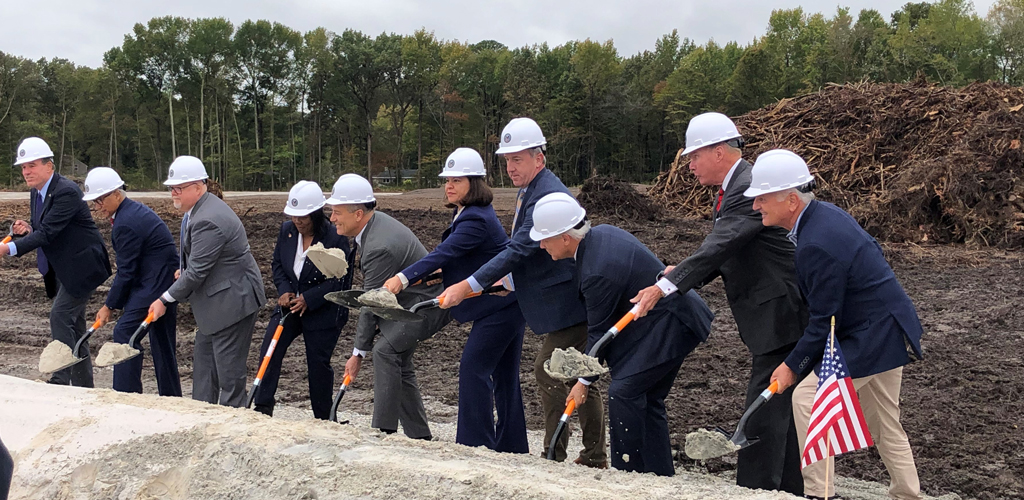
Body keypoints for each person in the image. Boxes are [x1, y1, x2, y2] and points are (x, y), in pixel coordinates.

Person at [630, 112, 807, 494]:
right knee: (780, 410)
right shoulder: (734, 188)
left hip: (781, 314)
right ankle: (789, 488)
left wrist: (664, 287)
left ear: (719, 151)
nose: (689, 166)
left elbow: (719, 246)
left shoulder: (746, 187)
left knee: (763, 411)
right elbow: (730, 249)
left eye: (695, 156)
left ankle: (755, 490)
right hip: (775, 313)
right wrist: (685, 273)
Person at [747, 149, 925, 500]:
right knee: (885, 420)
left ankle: (818, 493)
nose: (756, 206)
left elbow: (824, 322)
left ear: (792, 201)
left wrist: (791, 367)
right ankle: (908, 494)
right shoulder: (823, 216)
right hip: (888, 325)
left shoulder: (816, 243)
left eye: (763, 198)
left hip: (870, 334)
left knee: (808, 399)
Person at [437, 118, 607, 468]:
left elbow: (518, 250)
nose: (511, 167)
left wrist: (469, 285)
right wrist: (508, 283)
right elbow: (525, 253)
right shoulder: (530, 189)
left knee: (549, 370)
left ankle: (555, 454)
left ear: (538, 159)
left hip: (566, 303)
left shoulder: (547, 193)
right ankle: (590, 454)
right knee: (577, 372)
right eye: (507, 160)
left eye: (518, 159)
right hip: (554, 300)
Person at [532, 193, 714, 476]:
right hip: (673, 320)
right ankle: (657, 475)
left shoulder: (597, 270)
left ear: (566, 237)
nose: (542, 245)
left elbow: (600, 334)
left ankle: (628, 473)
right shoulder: (601, 235)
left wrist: (582, 382)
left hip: (670, 324)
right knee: (648, 398)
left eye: (545, 239)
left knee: (624, 392)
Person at [381, 148, 528, 453]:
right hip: (507, 304)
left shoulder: (475, 219)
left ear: (473, 183)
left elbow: (443, 253)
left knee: (473, 368)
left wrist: (402, 278)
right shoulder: (467, 212)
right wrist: (433, 277)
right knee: (504, 376)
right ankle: (513, 446)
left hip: (500, 307)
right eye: (446, 180)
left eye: (456, 180)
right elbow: (461, 259)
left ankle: (476, 444)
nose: (448, 186)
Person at [331, 173, 451, 439]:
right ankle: (419, 435)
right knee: (398, 359)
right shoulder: (373, 228)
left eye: (337, 212)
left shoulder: (378, 246)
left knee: (385, 351)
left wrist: (358, 353)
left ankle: (383, 432)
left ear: (358, 214)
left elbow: (370, 303)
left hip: (427, 304)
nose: (332, 218)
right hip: (412, 300)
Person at [148, 156, 267, 408]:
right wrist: (185, 270)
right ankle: (201, 417)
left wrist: (164, 299)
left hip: (233, 302)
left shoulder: (208, 219)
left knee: (228, 375)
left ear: (198, 187)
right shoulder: (196, 212)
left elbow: (197, 272)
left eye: (178, 188)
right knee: (204, 370)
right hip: (215, 302)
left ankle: (232, 425)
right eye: (171, 188)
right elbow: (197, 263)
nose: (173, 193)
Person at [2, 137, 111, 387]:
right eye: (23, 167)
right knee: (74, 325)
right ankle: (84, 386)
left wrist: (6, 248)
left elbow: (48, 233)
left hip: (82, 268)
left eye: (32, 165)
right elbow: (45, 229)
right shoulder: (37, 191)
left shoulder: (66, 191)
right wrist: (28, 229)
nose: (26, 171)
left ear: (49, 165)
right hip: (62, 268)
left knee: (60, 317)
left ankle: (60, 380)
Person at [254, 181, 351, 419]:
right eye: (294, 216)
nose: (298, 222)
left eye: (303, 217)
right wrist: (284, 290)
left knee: (318, 363)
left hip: (322, 308)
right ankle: (262, 407)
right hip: (289, 306)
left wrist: (309, 298)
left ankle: (324, 417)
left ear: (317, 214)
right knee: (270, 349)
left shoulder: (335, 237)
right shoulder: (286, 230)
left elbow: (341, 279)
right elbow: (278, 264)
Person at [84, 167, 181, 396]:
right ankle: (171, 396)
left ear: (116, 193)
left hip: (155, 283)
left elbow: (126, 271)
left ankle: (125, 394)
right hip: (163, 281)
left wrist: (110, 306)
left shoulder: (126, 222)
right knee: (162, 341)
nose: (97, 207)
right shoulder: (131, 211)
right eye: (94, 202)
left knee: (124, 334)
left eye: (100, 200)